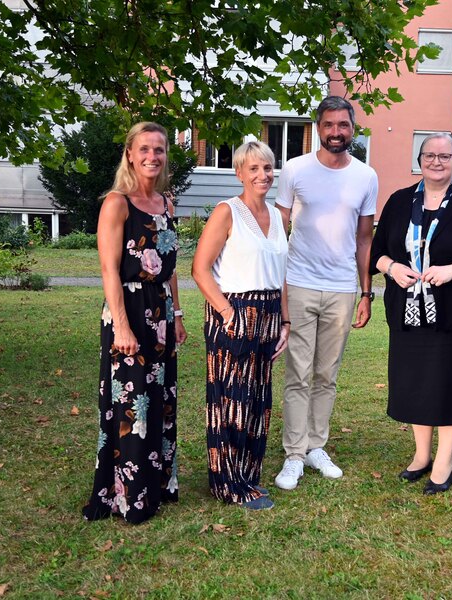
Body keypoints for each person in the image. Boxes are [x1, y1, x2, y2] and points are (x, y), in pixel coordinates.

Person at [370, 132, 452, 495]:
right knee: (416, 384)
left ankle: (444, 461)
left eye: (445, 155)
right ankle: (421, 455)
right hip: (409, 315)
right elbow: (377, 252)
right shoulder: (398, 202)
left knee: (450, 384)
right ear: (420, 160)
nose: (437, 161)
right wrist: (393, 268)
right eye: (430, 155)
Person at [82, 122, 188, 524]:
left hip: (160, 312)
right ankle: (128, 495)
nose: (152, 156)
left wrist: (177, 313)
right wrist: (122, 328)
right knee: (132, 403)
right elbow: (109, 270)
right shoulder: (117, 203)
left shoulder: (166, 202)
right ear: (130, 153)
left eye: (159, 150)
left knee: (159, 403)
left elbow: (171, 265)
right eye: (144, 149)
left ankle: (157, 484)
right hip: (127, 309)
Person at [273, 96, 379, 490]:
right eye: (329, 125)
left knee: (326, 374)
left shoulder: (366, 176)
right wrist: (278, 285)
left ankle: (317, 445)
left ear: (354, 127)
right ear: (318, 127)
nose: (336, 132)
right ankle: (294, 454)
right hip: (299, 283)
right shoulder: (295, 170)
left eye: (343, 125)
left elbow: (364, 238)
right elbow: (276, 232)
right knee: (297, 373)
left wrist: (366, 293)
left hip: (341, 289)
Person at [192, 141, 290, 510]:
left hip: (268, 314)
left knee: (256, 399)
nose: (262, 175)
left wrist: (285, 320)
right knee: (230, 399)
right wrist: (228, 313)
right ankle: (228, 483)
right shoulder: (226, 212)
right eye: (254, 169)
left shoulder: (279, 218)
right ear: (239, 173)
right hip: (232, 311)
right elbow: (200, 269)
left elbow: (281, 275)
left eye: (267, 168)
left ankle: (249, 474)